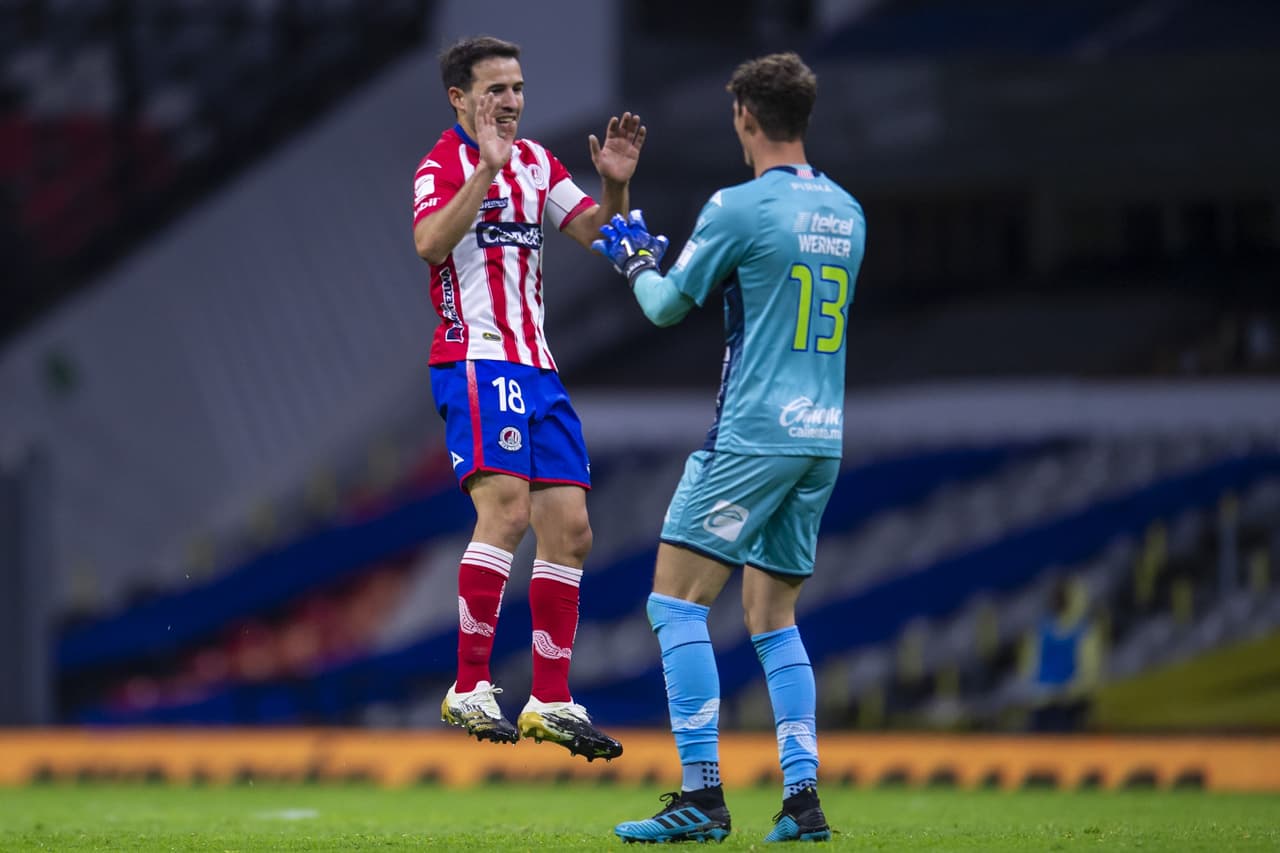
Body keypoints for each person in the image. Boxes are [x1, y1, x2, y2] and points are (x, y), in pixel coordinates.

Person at [593, 52, 865, 842]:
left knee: (674, 604)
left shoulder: (738, 205)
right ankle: (803, 801)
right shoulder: (849, 211)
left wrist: (633, 257)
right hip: (822, 436)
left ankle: (703, 797)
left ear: (744, 117)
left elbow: (667, 306)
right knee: (773, 618)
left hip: (752, 435)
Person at [413, 35, 647, 761]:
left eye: (517, 87)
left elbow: (602, 238)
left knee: (571, 525)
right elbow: (428, 242)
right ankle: (470, 685)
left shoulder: (540, 162)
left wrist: (614, 186)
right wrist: (482, 173)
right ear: (460, 98)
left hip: (538, 367)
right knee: (507, 508)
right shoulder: (441, 164)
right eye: (495, 89)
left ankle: (550, 699)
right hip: (477, 359)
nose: (511, 101)